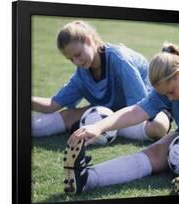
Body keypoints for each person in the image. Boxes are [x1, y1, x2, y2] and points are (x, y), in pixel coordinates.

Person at [64, 42, 179, 195]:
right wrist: (99, 127)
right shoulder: (165, 89)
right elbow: (135, 111)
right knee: (152, 153)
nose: (170, 99)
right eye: (166, 95)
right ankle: (88, 178)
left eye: (171, 92)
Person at [32, 20, 171, 141]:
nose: (76, 62)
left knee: (157, 127)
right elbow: (52, 105)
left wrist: (99, 122)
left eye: (78, 54)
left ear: (88, 40)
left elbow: (140, 109)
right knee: (67, 116)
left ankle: (98, 125)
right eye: (71, 59)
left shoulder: (120, 60)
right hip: (109, 112)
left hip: (143, 110)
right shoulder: (81, 74)